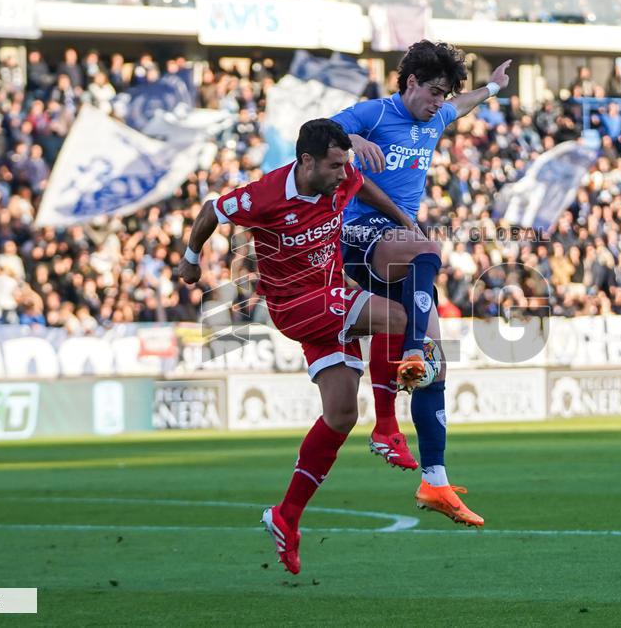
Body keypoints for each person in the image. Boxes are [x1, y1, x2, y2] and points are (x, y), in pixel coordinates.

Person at [179, 119, 464, 576]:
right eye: (334, 164)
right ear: (306, 161)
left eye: (343, 164)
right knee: (398, 317)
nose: (341, 173)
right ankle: (389, 421)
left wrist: (403, 219)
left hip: (329, 300)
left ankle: (286, 516)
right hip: (296, 304)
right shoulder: (265, 194)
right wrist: (191, 260)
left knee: (340, 414)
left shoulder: (341, 176)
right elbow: (213, 209)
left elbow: (363, 185)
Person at [331, 41, 510, 526]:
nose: (438, 102)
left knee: (437, 364)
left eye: (443, 94)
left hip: (396, 245)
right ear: (410, 83)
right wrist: (351, 145)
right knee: (429, 248)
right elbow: (317, 135)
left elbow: (462, 105)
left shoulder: (435, 116)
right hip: (356, 234)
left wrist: (492, 87)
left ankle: (435, 480)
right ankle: (408, 356)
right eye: (433, 92)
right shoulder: (374, 112)